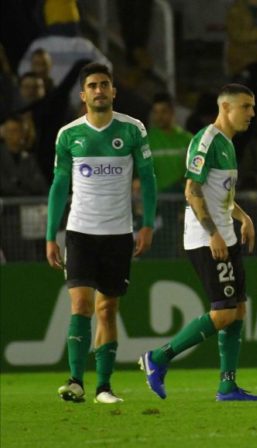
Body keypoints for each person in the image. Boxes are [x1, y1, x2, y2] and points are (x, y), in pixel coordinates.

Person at [139, 84, 257, 402]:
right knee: (223, 314)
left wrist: (242, 216)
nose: (252, 113)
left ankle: (228, 385)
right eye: (246, 106)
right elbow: (191, 191)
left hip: (227, 234)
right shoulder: (206, 140)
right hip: (207, 239)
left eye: (252, 107)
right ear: (226, 108)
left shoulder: (228, 144)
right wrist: (212, 233)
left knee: (237, 310)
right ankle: (158, 357)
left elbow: (219, 193)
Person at [45, 62, 157, 404]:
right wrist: (51, 235)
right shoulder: (68, 135)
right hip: (80, 232)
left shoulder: (133, 130)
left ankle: (104, 387)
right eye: (92, 85)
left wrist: (148, 224)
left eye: (104, 84)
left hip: (119, 233)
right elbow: (59, 186)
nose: (98, 90)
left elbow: (148, 180)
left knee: (107, 310)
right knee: (80, 305)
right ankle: (76, 380)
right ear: (83, 94)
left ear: (113, 91)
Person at [147, 92, 193, 193]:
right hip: (156, 199)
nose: (159, 116)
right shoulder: (146, 140)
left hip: (181, 199)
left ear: (172, 112)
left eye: (163, 111)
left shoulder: (187, 139)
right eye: (156, 112)